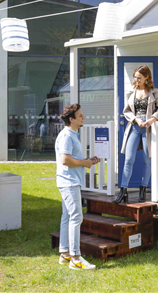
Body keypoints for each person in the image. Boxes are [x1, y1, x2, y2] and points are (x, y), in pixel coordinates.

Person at [113, 65, 158, 204]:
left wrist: (152, 119)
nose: (136, 80)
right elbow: (126, 111)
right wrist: (136, 119)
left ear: (146, 77)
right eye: (135, 77)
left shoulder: (154, 92)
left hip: (149, 128)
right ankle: (123, 190)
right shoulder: (131, 92)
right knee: (128, 159)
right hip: (135, 126)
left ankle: (143, 189)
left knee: (147, 159)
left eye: (139, 77)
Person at [55, 103, 100, 270]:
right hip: (69, 182)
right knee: (76, 218)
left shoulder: (72, 134)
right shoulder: (67, 136)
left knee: (67, 217)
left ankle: (65, 254)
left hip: (69, 181)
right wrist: (85, 163)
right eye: (80, 116)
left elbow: (72, 159)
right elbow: (65, 160)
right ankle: (76, 258)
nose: (83, 118)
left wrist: (88, 161)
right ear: (71, 119)